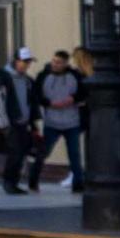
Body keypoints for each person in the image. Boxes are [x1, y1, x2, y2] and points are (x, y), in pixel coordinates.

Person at [0, 53, 40, 193]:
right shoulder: (3, 78)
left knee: (21, 152)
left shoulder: (27, 80)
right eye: (24, 61)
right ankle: (9, 183)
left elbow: (30, 103)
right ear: (15, 61)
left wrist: (33, 124)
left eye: (28, 62)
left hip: (23, 122)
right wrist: (2, 124)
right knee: (16, 152)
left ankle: (13, 182)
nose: (26, 65)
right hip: (9, 123)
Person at [34, 48, 87, 185]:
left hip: (72, 122)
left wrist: (72, 99)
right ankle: (33, 179)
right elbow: (36, 95)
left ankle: (78, 183)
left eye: (59, 62)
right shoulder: (43, 76)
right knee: (44, 152)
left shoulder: (74, 76)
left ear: (65, 63)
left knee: (74, 154)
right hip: (52, 122)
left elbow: (84, 92)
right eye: (54, 61)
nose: (55, 64)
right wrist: (49, 103)